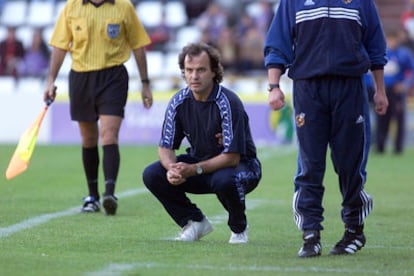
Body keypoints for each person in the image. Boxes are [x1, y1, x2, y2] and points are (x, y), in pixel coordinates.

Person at [264, 0, 388, 257]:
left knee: (350, 164)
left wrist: (380, 91)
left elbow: (375, 44)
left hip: (350, 88)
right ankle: (310, 234)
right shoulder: (293, 1)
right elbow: (278, 42)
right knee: (310, 164)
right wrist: (274, 86)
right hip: (308, 89)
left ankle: (354, 229)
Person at [142, 42, 261, 243]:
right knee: (153, 174)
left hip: (242, 167)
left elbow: (232, 158)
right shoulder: (179, 101)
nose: (194, 76)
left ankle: (238, 228)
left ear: (214, 71)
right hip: (199, 164)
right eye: (189, 70)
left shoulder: (228, 102)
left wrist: (193, 169)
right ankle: (194, 222)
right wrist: (172, 169)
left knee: (225, 180)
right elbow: (165, 146)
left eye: (201, 70)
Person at [43, 0, 153, 215]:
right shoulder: (72, 6)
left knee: (109, 134)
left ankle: (109, 193)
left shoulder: (123, 6)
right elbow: (60, 46)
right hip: (81, 78)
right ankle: (92, 196)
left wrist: (145, 83)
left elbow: (138, 45)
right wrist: (50, 81)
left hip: (113, 77)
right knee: (89, 139)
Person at [376, 29, 414, 155]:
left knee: (399, 119)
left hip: (397, 91)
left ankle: (398, 148)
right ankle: (380, 147)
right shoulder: (382, 53)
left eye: (394, 39)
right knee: (382, 119)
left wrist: (405, 84)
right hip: (384, 90)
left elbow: (411, 71)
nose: (392, 42)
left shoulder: (404, 54)